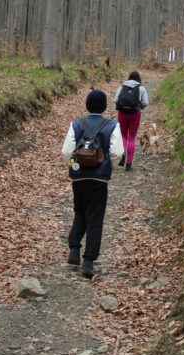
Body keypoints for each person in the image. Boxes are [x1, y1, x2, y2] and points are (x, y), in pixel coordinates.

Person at [61, 89, 123, 279]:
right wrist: (107, 168)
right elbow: (117, 153)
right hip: (99, 179)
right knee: (95, 217)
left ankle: (73, 250)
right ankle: (88, 261)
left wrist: (73, 166)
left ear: (87, 105)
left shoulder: (76, 123)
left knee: (80, 211)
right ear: (104, 106)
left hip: (79, 178)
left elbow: (67, 150)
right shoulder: (112, 125)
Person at [113, 71, 149, 171]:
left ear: (129, 77)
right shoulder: (141, 88)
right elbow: (146, 102)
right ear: (139, 78)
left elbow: (115, 100)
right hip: (135, 114)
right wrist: (139, 107)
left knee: (123, 136)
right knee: (132, 138)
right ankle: (129, 164)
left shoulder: (122, 86)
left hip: (122, 113)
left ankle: (122, 154)